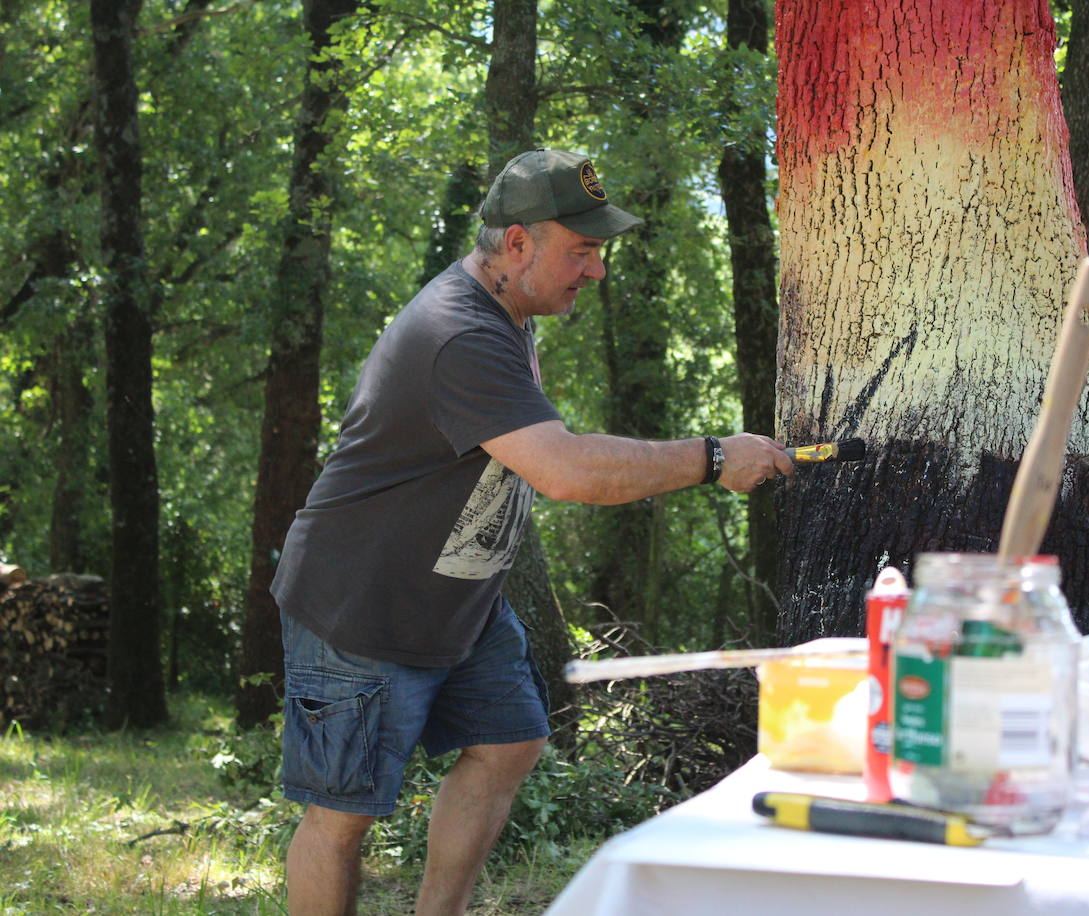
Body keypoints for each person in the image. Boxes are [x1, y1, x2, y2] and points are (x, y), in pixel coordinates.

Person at [270, 148, 793, 915]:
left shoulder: (508, 317)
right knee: (343, 814)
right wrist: (714, 458)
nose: (597, 271)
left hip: (459, 603)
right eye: (581, 252)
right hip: (361, 605)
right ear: (517, 245)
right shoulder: (462, 334)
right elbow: (567, 471)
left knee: (511, 742)